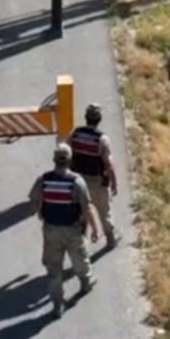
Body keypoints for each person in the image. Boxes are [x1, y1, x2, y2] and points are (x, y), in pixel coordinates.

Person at [29, 143, 100, 317]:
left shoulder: (43, 179)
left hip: (51, 230)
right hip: (72, 230)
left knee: (54, 270)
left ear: (54, 160)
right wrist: (95, 229)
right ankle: (86, 282)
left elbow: (34, 199)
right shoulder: (76, 181)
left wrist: (40, 211)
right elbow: (87, 207)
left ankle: (57, 305)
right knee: (80, 259)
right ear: (70, 160)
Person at [69, 103, 118, 249]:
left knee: (82, 213)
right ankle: (110, 240)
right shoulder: (102, 139)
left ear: (86, 118)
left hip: (79, 181)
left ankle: (81, 245)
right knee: (104, 212)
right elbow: (108, 164)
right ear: (100, 119)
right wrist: (114, 182)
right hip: (97, 182)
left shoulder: (75, 134)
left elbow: (68, 157)